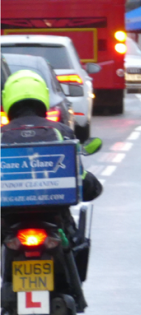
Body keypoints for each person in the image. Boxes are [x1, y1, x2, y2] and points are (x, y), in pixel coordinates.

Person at [1, 70, 103, 237]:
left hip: (7, 222)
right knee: (75, 242)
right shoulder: (61, 131)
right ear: (44, 96)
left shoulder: (1, 134)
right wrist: (92, 186)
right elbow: (82, 181)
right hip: (55, 220)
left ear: (7, 97)